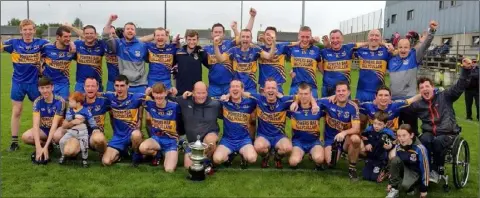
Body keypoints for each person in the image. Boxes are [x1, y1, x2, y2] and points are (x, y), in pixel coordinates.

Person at [410, 58, 474, 183]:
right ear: (419, 91)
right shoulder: (418, 105)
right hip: (429, 132)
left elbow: (459, 86)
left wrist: (466, 70)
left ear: (433, 87)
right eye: (421, 87)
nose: (425, 89)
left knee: (438, 141)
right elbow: (404, 109)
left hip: (447, 132)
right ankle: (426, 168)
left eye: (427, 86)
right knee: (423, 140)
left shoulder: (445, 96)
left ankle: (437, 169)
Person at [240, 78, 318, 169]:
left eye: (273, 88)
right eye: (268, 88)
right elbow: (241, 92)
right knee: (258, 147)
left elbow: (303, 95)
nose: (270, 90)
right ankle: (266, 157)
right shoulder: (258, 98)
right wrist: (228, 94)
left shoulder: (284, 100)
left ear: (277, 90)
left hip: (279, 136)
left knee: (288, 148)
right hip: (263, 136)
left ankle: (278, 157)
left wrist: (313, 104)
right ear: (264, 90)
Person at [1, 19, 50, 151]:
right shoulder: (13, 43)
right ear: (21, 31)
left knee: (41, 111)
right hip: (18, 82)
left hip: (35, 83)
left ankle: (45, 139)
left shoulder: (42, 43)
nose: (27, 32)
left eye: (30, 29)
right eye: (25, 29)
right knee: (17, 111)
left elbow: (57, 46)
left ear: (34, 30)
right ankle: (14, 142)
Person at [387, 20, 438, 135]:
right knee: (395, 132)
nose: (403, 50)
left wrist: (432, 31)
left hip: (411, 102)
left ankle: (414, 152)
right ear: (397, 48)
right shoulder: (391, 60)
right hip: (394, 102)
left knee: (411, 131)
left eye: (406, 47)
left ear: (410, 48)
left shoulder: (414, 58)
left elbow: (425, 45)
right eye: (400, 47)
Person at [202, 8, 256, 98]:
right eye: (216, 32)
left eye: (220, 32)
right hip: (213, 86)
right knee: (214, 109)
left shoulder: (230, 45)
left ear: (223, 34)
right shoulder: (206, 49)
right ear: (212, 34)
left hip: (229, 85)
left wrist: (252, 17)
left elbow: (245, 35)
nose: (218, 34)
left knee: (228, 109)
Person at [174, 82, 222, 173]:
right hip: (192, 142)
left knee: (210, 141)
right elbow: (166, 98)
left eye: (203, 93)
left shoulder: (215, 104)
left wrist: (227, 96)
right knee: (188, 166)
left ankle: (209, 162)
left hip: (209, 136)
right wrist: (171, 91)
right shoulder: (184, 101)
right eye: (198, 93)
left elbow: (232, 106)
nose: (201, 96)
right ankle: (203, 163)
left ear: (207, 93)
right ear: (193, 92)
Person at [317, 81, 361, 180]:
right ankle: (333, 152)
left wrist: (344, 132)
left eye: (343, 91)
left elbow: (356, 128)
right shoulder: (327, 102)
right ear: (335, 93)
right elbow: (309, 98)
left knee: (356, 139)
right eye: (338, 91)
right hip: (331, 139)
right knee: (330, 163)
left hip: (345, 139)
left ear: (349, 92)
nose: (341, 93)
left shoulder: (353, 107)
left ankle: (352, 168)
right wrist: (296, 101)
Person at [101, 75, 145, 166]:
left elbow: (154, 96)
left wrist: (140, 118)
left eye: (122, 85)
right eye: (117, 86)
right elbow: (95, 94)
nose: (119, 88)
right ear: (114, 86)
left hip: (132, 134)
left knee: (136, 134)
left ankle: (136, 154)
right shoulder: (110, 97)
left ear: (128, 86)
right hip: (118, 137)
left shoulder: (136, 97)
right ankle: (122, 153)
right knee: (106, 162)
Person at [214, 29, 275, 93]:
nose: (245, 39)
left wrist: (273, 43)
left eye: (247, 37)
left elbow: (269, 56)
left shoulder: (256, 50)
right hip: (236, 88)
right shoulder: (233, 50)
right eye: (243, 37)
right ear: (240, 38)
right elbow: (220, 59)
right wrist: (215, 45)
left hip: (251, 89)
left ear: (251, 39)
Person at [21, 77, 66, 163]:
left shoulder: (60, 101)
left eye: (47, 87)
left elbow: (54, 125)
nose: (45, 91)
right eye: (42, 88)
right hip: (44, 130)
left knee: (56, 136)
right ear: (38, 89)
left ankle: (50, 146)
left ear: (52, 87)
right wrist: (38, 147)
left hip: (56, 130)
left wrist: (44, 148)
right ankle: (48, 146)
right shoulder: (37, 102)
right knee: (26, 137)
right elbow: (36, 125)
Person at [214, 79, 257, 168]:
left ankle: (243, 156)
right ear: (229, 90)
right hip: (227, 140)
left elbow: (262, 98)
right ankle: (229, 158)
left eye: (237, 87)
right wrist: (224, 97)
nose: (235, 89)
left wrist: (247, 94)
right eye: (232, 87)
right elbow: (207, 99)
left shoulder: (249, 102)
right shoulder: (224, 102)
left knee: (252, 158)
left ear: (242, 89)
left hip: (244, 140)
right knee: (217, 159)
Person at [140, 82, 181, 172]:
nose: (158, 96)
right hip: (156, 139)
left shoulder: (174, 106)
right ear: (153, 94)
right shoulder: (150, 104)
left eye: (161, 93)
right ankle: (156, 153)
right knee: (142, 148)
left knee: (169, 169)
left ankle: (169, 153)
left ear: (166, 93)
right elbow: (139, 99)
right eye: (156, 93)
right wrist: (146, 93)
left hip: (171, 141)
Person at [102, 14, 148, 94]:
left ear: (135, 32)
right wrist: (110, 20)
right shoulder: (118, 44)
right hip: (125, 85)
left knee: (141, 106)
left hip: (141, 85)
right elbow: (105, 36)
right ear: (123, 32)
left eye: (132, 29)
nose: (130, 30)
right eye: (127, 29)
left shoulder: (143, 45)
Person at [287, 83, 325, 170]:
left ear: (311, 94)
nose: (303, 96)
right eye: (301, 94)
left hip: (314, 142)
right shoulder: (292, 107)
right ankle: (300, 154)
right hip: (298, 142)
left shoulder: (318, 106)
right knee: (293, 162)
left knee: (319, 159)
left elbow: (332, 99)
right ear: (297, 94)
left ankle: (315, 158)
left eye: (306, 94)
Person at [386, 124, 429, 198]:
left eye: (404, 135)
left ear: (411, 135)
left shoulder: (420, 149)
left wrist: (424, 189)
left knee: (405, 186)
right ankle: (394, 189)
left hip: (415, 172)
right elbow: (394, 163)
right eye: (399, 136)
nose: (401, 138)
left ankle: (414, 186)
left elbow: (425, 169)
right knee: (394, 159)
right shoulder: (399, 145)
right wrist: (391, 182)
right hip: (405, 168)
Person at [58, 92, 99, 168]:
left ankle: (84, 160)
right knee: (62, 141)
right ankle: (63, 155)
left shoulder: (86, 110)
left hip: (82, 132)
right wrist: (74, 117)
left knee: (84, 146)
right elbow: (67, 118)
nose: (69, 103)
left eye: (71, 101)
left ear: (78, 103)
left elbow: (91, 119)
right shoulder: (70, 110)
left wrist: (94, 128)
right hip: (72, 131)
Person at [354, 29, 392, 102]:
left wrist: (387, 45)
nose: (374, 37)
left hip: (379, 93)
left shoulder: (386, 51)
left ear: (381, 38)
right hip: (361, 91)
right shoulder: (360, 51)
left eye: (377, 36)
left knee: (378, 113)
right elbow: (347, 48)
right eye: (372, 35)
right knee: (360, 113)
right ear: (368, 38)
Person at [41, 26, 76, 101]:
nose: (68, 39)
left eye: (70, 37)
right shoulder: (47, 48)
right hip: (48, 83)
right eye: (65, 36)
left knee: (62, 107)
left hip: (63, 84)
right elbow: (38, 58)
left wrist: (72, 44)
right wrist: (40, 69)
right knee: (48, 107)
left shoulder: (72, 49)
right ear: (58, 37)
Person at [319, 29, 358, 97]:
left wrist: (382, 43)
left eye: (337, 38)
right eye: (333, 38)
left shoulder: (349, 48)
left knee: (344, 107)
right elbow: (318, 63)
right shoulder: (324, 52)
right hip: (328, 89)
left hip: (344, 89)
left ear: (342, 38)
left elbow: (366, 45)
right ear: (330, 40)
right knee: (325, 107)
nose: (335, 40)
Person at [287, 26, 322, 98]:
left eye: (307, 37)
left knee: (314, 109)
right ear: (298, 36)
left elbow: (322, 69)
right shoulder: (292, 48)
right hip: (295, 87)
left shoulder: (316, 50)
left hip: (312, 88)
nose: (305, 39)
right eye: (302, 37)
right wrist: (291, 70)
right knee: (293, 108)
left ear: (311, 37)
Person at [360, 111, 395, 182]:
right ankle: (368, 164)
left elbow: (393, 143)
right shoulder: (369, 129)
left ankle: (385, 170)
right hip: (370, 158)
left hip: (380, 160)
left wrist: (390, 146)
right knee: (366, 177)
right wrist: (367, 143)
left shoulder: (387, 133)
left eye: (379, 124)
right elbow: (363, 137)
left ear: (385, 124)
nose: (376, 126)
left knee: (374, 178)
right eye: (375, 123)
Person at [71, 25, 105, 93]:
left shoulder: (101, 45)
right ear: (83, 35)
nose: (89, 35)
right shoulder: (77, 44)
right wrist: (70, 43)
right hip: (81, 83)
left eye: (91, 33)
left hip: (96, 83)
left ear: (95, 35)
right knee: (79, 103)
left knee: (97, 103)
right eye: (87, 33)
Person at [257, 26, 291, 94]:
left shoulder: (282, 47)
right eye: (267, 34)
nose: (270, 37)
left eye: (272, 35)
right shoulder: (259, 49)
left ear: (276, 37)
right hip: (263, 88)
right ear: (264, 36)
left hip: (278, 87)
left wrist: (293, 68)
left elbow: (297, 50)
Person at [173, 30, 207, 96]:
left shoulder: (201, 53)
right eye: (189, 39)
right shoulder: (178, 53)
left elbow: (211, 67)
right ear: (186, 39)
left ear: (197, 40)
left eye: (194, 39)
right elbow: (171, 67)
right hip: (181, 90)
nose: (192, 42)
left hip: (196, 91)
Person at [83, 77, 111, 156]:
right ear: (84, 87)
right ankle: (75, 151)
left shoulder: (104, 101)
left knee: (99, 139)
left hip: (95, 135)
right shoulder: (78, 101)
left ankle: (103, 152)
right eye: (88, 86)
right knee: (69, 151)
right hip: (80, 136)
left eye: (93, 86)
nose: (90, 88)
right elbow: (67, 122)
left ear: (98, 87)